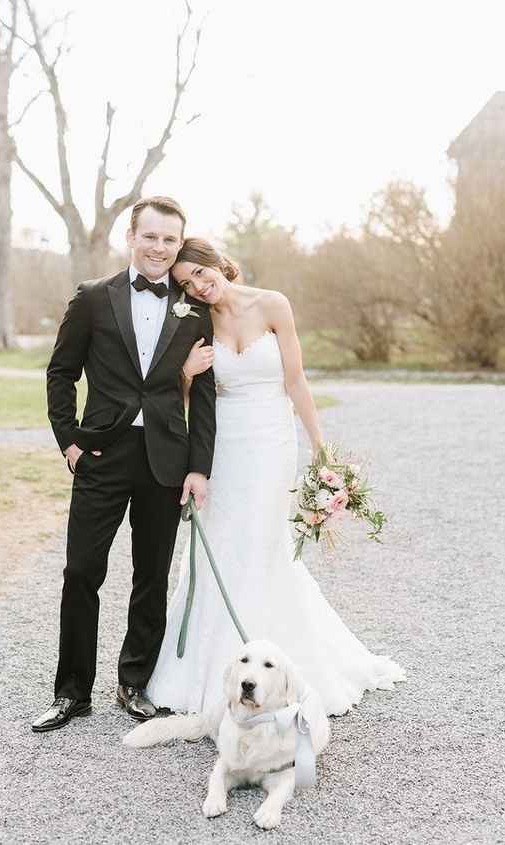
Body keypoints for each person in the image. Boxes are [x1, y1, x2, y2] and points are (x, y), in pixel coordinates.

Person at [146, 238, 405, 717]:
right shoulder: (195, 323)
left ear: (219, 263)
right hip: (223, 445)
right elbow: (189, 402)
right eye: (187, 283)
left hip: (271, 443)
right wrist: (184, 374)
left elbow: (295, 380)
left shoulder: (272, 304)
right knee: (223, 541)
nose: (199, 287)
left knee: (266, 544)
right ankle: (208, 672)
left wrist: (320, 448)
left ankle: (278, 668)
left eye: (202, 274)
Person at [32, 200, 216, 732]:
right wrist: (68, 439)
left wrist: (198, 467)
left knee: (151, 577)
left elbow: (203, 398)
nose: (160, 249)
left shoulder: (194, 311)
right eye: (151, 237)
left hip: (165, 461)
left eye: (170, 241)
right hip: (101, 455)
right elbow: (61, 372)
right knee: (81, 571)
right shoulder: (93, 298)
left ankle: (134, 683)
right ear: (131, 236)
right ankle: (71, 692)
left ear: (179, 245)